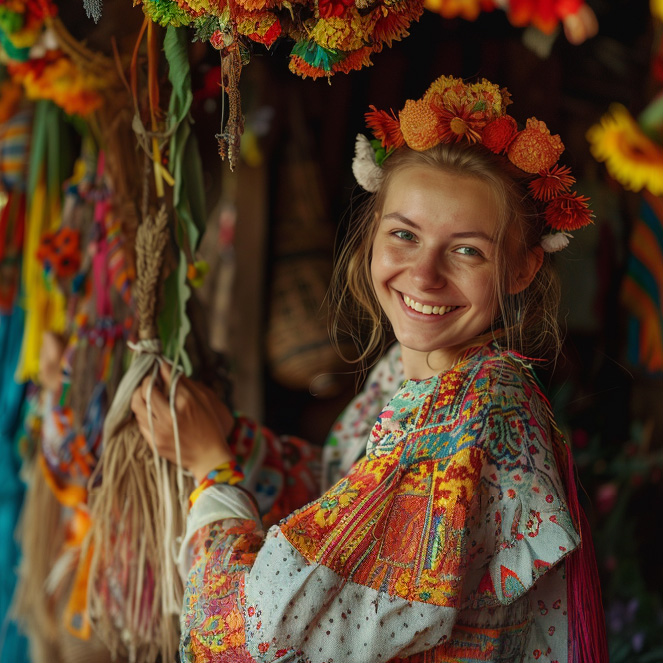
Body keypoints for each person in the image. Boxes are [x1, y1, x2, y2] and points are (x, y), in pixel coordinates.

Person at [131, 75, 607, 663]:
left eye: (467, 250)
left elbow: (259, 636)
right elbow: (342, 487)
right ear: (371, 238)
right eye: (404, 234)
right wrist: (231, 441)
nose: (424, 274)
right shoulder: (416, 377)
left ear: (522, 270)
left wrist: (213, 470)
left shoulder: (474, 416)